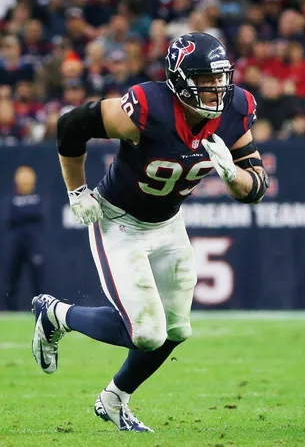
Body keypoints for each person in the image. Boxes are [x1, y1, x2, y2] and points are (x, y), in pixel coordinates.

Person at [31, 33, 268, 432]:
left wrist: (235, 178)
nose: (217, 89)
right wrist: (76, 189)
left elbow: (256, 187)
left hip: (168, 223)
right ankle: (55, 315)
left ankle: (114, 399)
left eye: (221, 78)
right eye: (206, 81)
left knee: (177, 329)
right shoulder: (148, 107)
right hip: (119, 220)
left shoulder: (235, 110)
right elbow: (72, 125)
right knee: (146, 334)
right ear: (178, 80)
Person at [4, 166, 45, 310]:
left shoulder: (38, 197)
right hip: (16, 243)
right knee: (12, 277)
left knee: (37, 278)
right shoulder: (12, 197)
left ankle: (41, 308)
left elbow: (39, 215)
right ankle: (9, 309)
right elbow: (10, 217)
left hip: (33, 243)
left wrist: (24, 214)